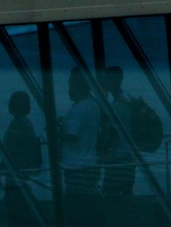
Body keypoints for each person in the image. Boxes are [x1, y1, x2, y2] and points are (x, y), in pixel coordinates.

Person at [60, 67, 101, 227]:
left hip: (76, 166)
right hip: (89, 163)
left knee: (76, 206)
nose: (69, 88)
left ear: (79, 85)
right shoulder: (93, 105)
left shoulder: (78, 109)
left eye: (71, 83)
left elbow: (71, 135)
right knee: (87, 204)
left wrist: (58, 132)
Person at [1, 91, 41, 227]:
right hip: (20, 170)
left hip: (16, 170)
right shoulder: (26, 123)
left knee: (16, 205)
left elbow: (12, 148)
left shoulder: (18, 124)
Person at [98, 66, 135, 198]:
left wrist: (102, 153)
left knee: (111, 194)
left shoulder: (117, 105)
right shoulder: (127, 101)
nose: (104, 82)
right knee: (125, 192)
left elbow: (113, 134)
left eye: (106, 78)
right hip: (128, 157)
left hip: (118, 159)